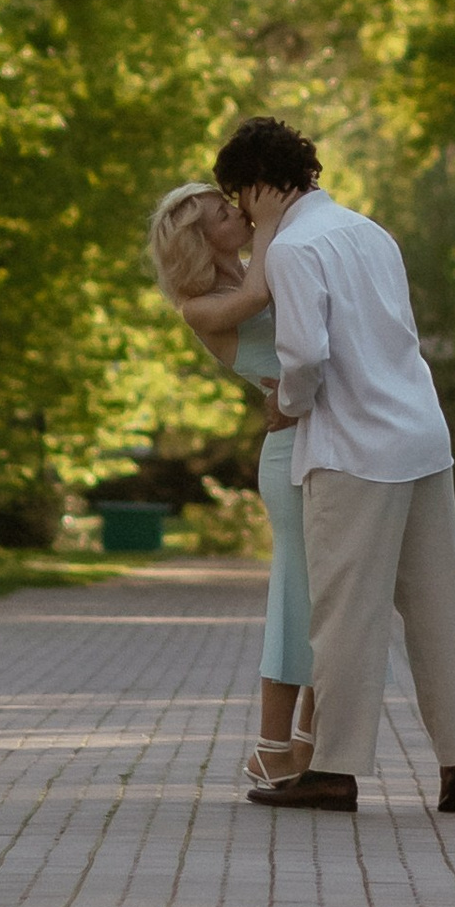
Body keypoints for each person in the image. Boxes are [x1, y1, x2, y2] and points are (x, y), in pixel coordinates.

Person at [209, 115, 455, 816]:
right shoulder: (370, 232)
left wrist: (290, 409)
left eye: (236, 194)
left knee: (344, 620)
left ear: (256, 185)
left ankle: (332, 771)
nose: (237, 210)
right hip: (423, 436)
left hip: (355, 450)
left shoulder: (295, 249)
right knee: (437, 610)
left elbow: (303, 355)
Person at [146, 179, 315, 789]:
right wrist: (273, 217)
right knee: (301, 597)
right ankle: (272, 748)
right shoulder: (201, 306)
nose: (240, 213)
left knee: (333, 600)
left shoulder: (257, 264)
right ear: (200, 238)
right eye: (225, 212)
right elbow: (259, 292)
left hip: (324, 437)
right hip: (291, 454)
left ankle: (308, 748)